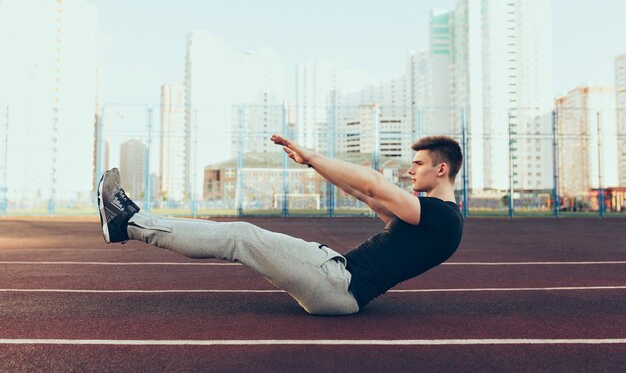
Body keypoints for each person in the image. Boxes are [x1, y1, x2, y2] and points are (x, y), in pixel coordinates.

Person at [97, 134, 464, 315]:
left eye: (418, 164)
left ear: (441, 168)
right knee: (240, 238)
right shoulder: (433, 218)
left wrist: (313, 155)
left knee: (240, 236)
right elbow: (367, 195)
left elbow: (372, 182)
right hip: (337, 281)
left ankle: (128, 223)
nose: (410, 169)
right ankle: (130, 222)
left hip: (339, 284)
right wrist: (312, 165)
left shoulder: (441, 216)